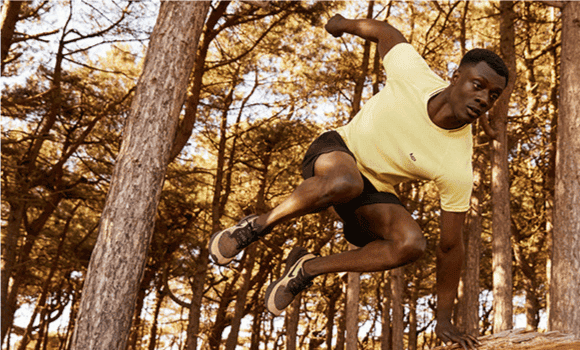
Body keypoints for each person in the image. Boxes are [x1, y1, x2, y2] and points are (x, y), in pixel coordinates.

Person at [209, 13, 508, 350]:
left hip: (373, 192)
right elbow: (385, 31)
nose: (484, 99)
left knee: (411, 243)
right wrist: (342, 23)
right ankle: (255, 227)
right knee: (345, 180)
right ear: (455, 77)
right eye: (478, 85)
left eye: (494, 95)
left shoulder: (455, 164)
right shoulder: (413, 73)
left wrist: (442, 318)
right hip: (337, 151)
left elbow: (451, 246)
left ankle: (308, 269)